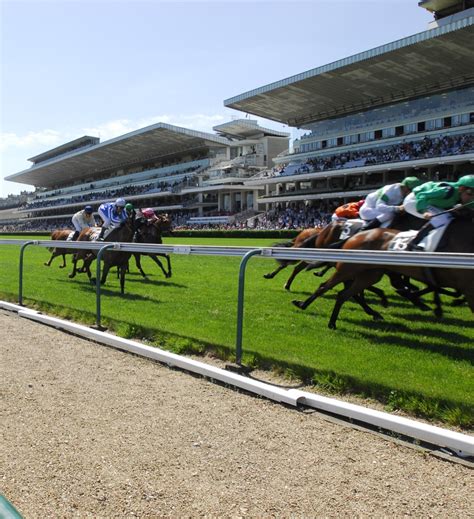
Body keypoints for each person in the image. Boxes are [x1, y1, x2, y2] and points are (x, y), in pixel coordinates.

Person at [404, 174, 474, 250]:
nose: (472, 197)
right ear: (461, 189)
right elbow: (422, 195)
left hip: (431, 202)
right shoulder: (446, 191)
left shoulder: (464, 196)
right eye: (470, 193)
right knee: (442, 218)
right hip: (415, 200)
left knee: (452, 216)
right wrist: (424, 211)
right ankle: (414, 243)